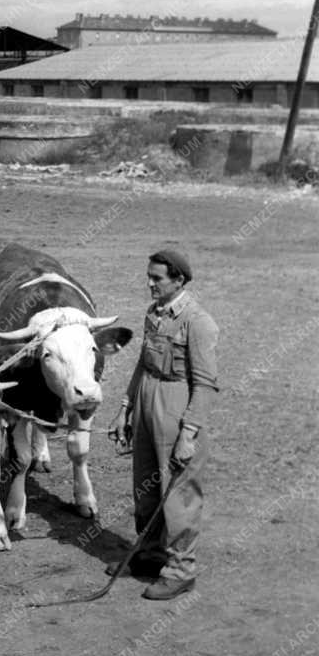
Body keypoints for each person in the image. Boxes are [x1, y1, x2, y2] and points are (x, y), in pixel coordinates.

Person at [111, 249, 219, 600]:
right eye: (150, 276)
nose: (150, 283)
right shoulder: (153, 314)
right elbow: (143, 363)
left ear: (179, 281)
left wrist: (188, 434)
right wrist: (126, 407)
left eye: (157, 278)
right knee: (145, 485)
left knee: (178, 493)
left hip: (177, 405)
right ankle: (150, 554)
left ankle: (180, 570)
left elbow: (204, 384)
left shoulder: (198, 322)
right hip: (146, 398)